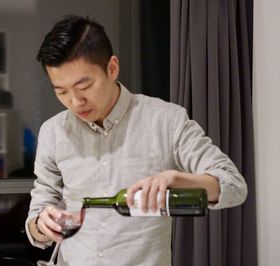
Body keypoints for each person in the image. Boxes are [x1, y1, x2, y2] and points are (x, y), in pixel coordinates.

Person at [25, 15, 248, 266]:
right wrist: (41, 225)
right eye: (62, 92)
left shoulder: (166, 120)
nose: (75, 102)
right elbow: (38, 216)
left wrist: (178, 179)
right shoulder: (53, 132)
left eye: (84, 86)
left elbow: (234, 186)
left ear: (112, 68)